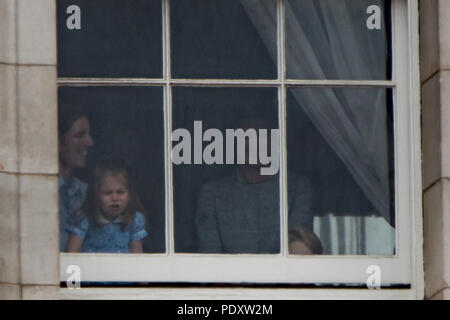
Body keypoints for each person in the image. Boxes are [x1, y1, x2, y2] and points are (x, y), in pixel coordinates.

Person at [195, 117, 314, 254]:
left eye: (261, 137)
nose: (253, 144)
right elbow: (211, 254)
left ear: (273, 142)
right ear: (234, 144)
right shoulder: (213, 193)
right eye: (245, 138)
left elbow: (298, 249)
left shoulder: (296, 187)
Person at [66, 157, 148, 253]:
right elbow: (72, 253)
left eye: (120, 192)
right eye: (108, 193)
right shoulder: (85, 219)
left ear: (129, 195)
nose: (115, 198)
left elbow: (137, 256)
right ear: (96, 195)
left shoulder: (134, 220)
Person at [59, 103, 94, 251]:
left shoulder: (88, 193)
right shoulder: (38, 191)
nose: (90, 142)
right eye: (79, 135)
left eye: (88, 135)